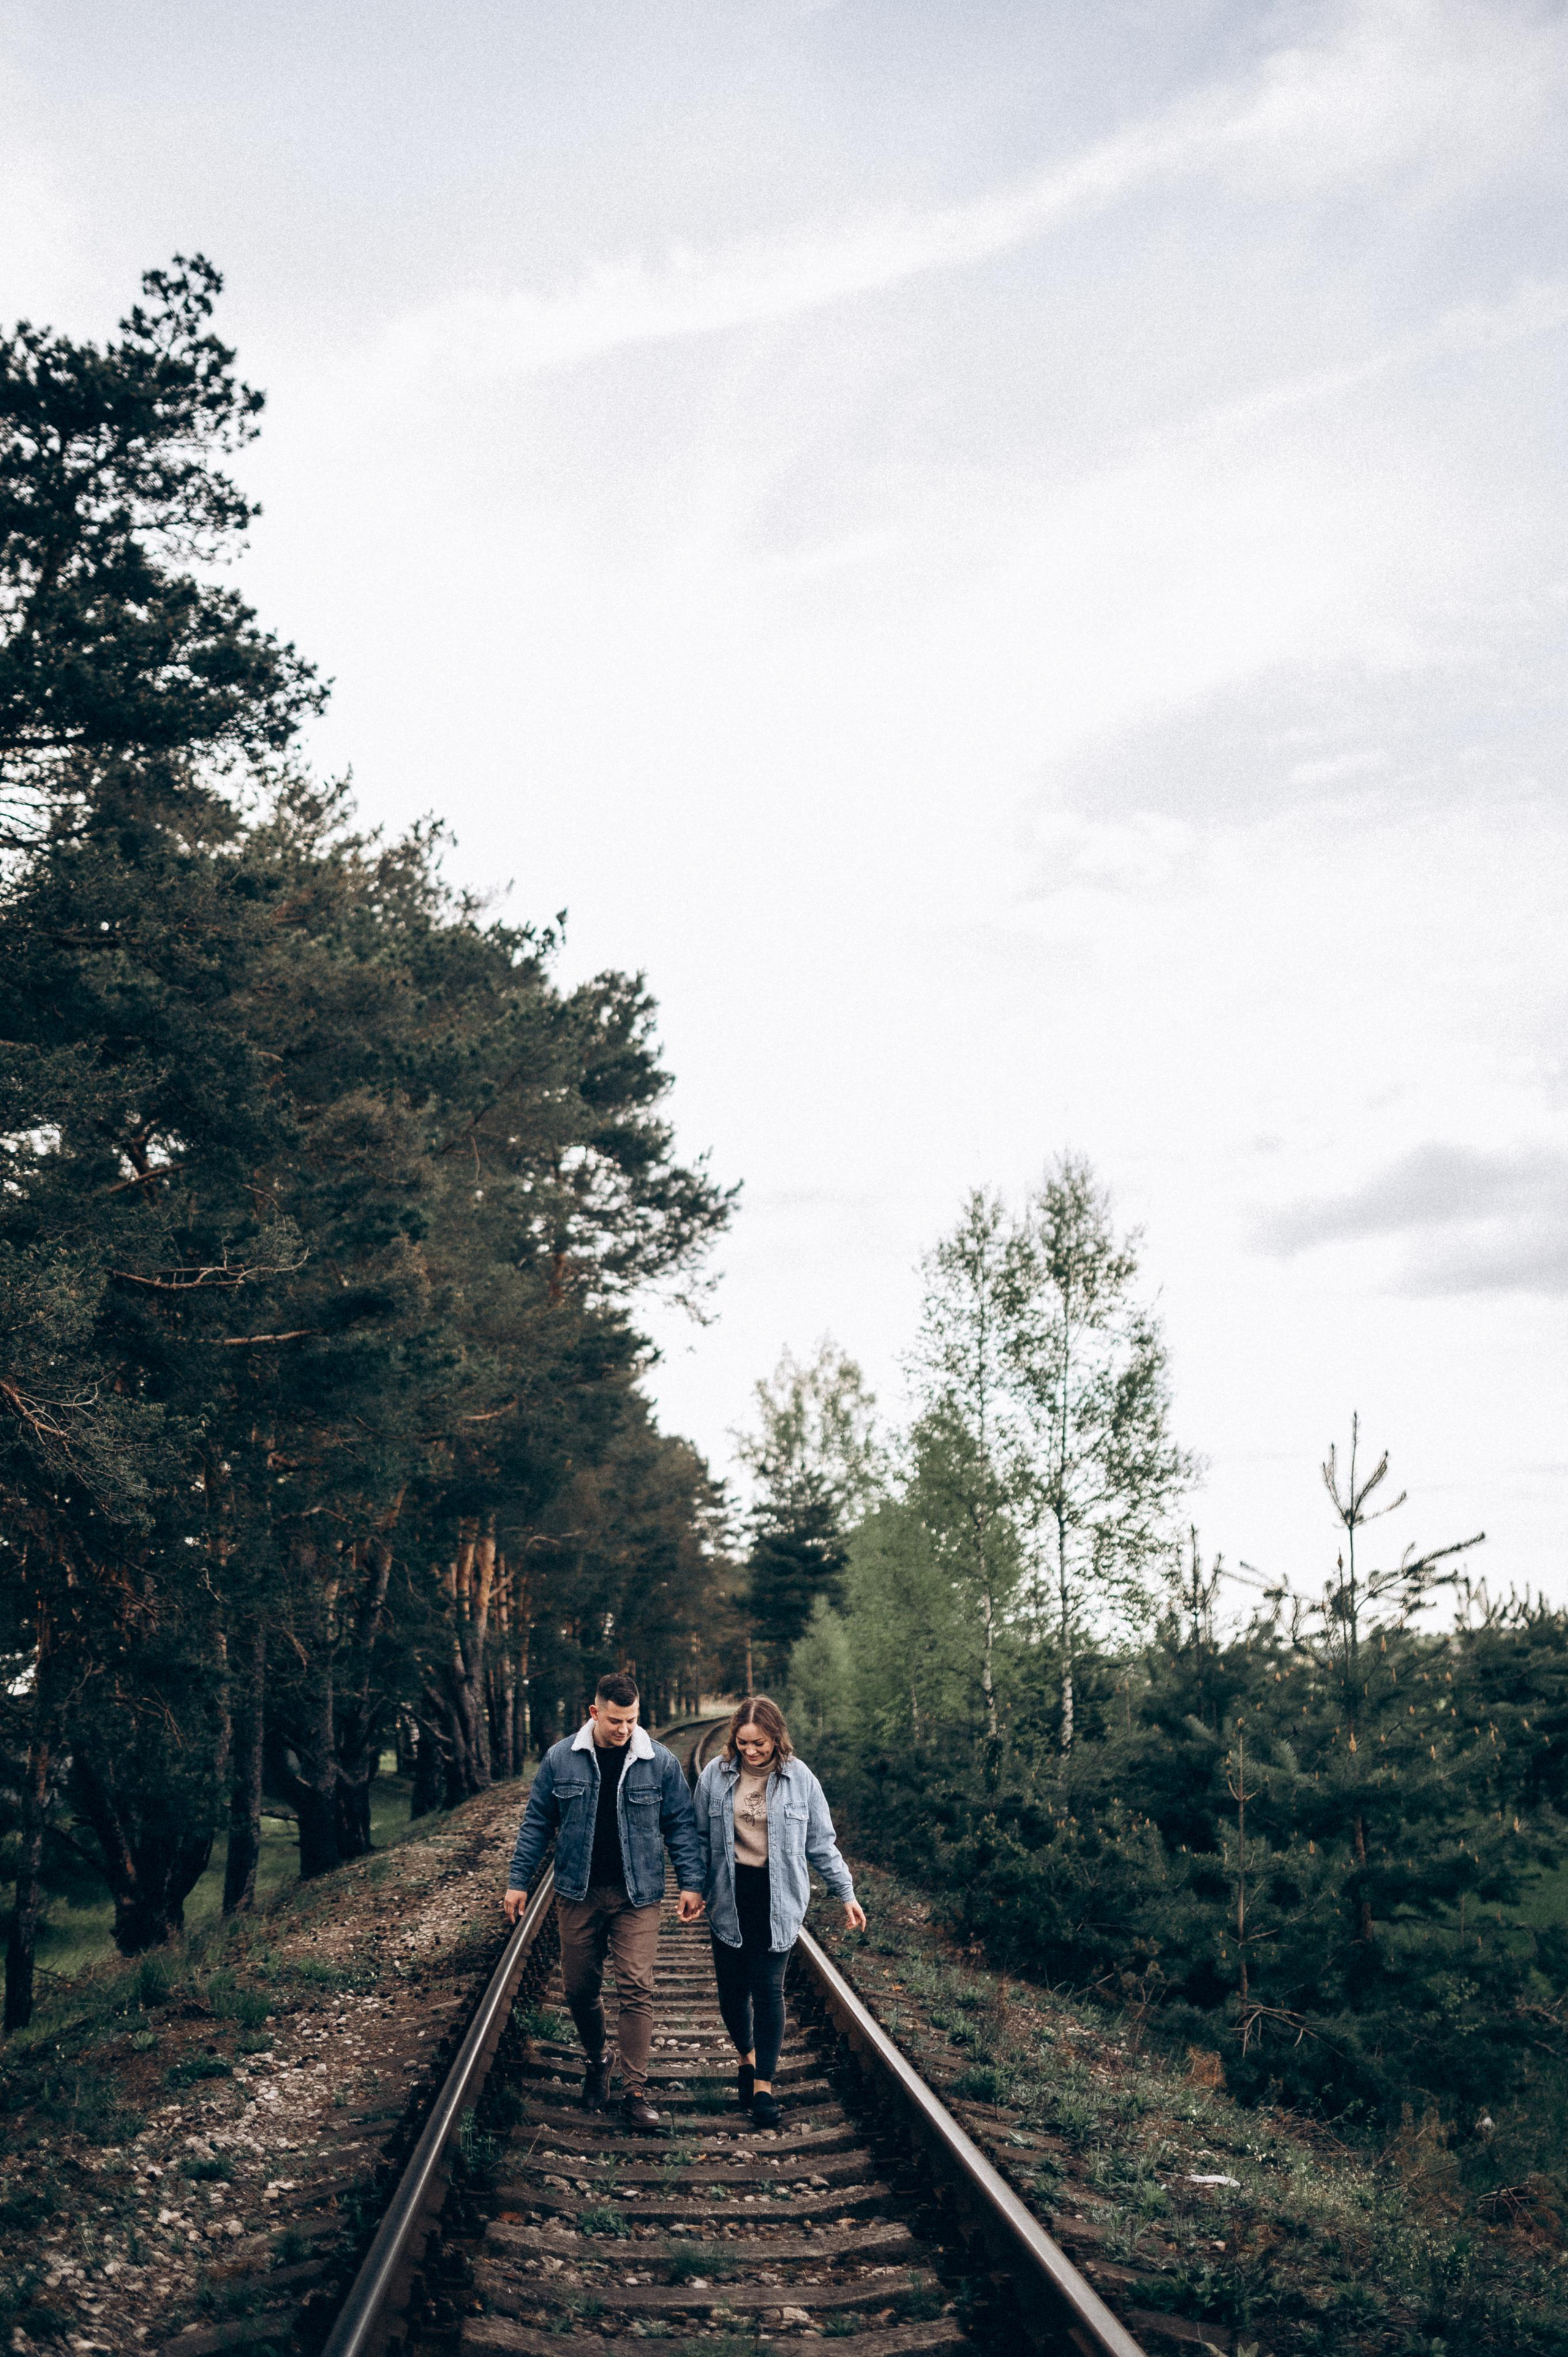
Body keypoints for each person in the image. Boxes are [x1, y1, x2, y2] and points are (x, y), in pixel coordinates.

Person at [505, 1671, 706, 2128]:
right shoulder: (560, 1759)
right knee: (580, 1990)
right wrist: (518, 1880)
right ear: (594, 1712)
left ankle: (635, 2090)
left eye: (632, 1719)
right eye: (615, 1720)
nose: (624, 1729)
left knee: (636, 1985)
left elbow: (680, 1826)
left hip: (639, 1894)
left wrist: (692, 1882)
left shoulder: (660, 1762)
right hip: (578, 1891)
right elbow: (537, 1822)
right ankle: (599, 2059)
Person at [692, 1695, 866, 2130]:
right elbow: (696, 1837)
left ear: (776, 1738)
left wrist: (845, 1892)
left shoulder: (800, 1777)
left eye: (761, 1743)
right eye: (744, 1742)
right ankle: (747, 2058)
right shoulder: (716, 1775)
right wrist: (693, 1887)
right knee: (732, 1995)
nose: (752, 1751)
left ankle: (765, 2087)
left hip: (779, 1898)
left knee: (769, 1991)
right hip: (729, 1895)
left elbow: (821, 1843)